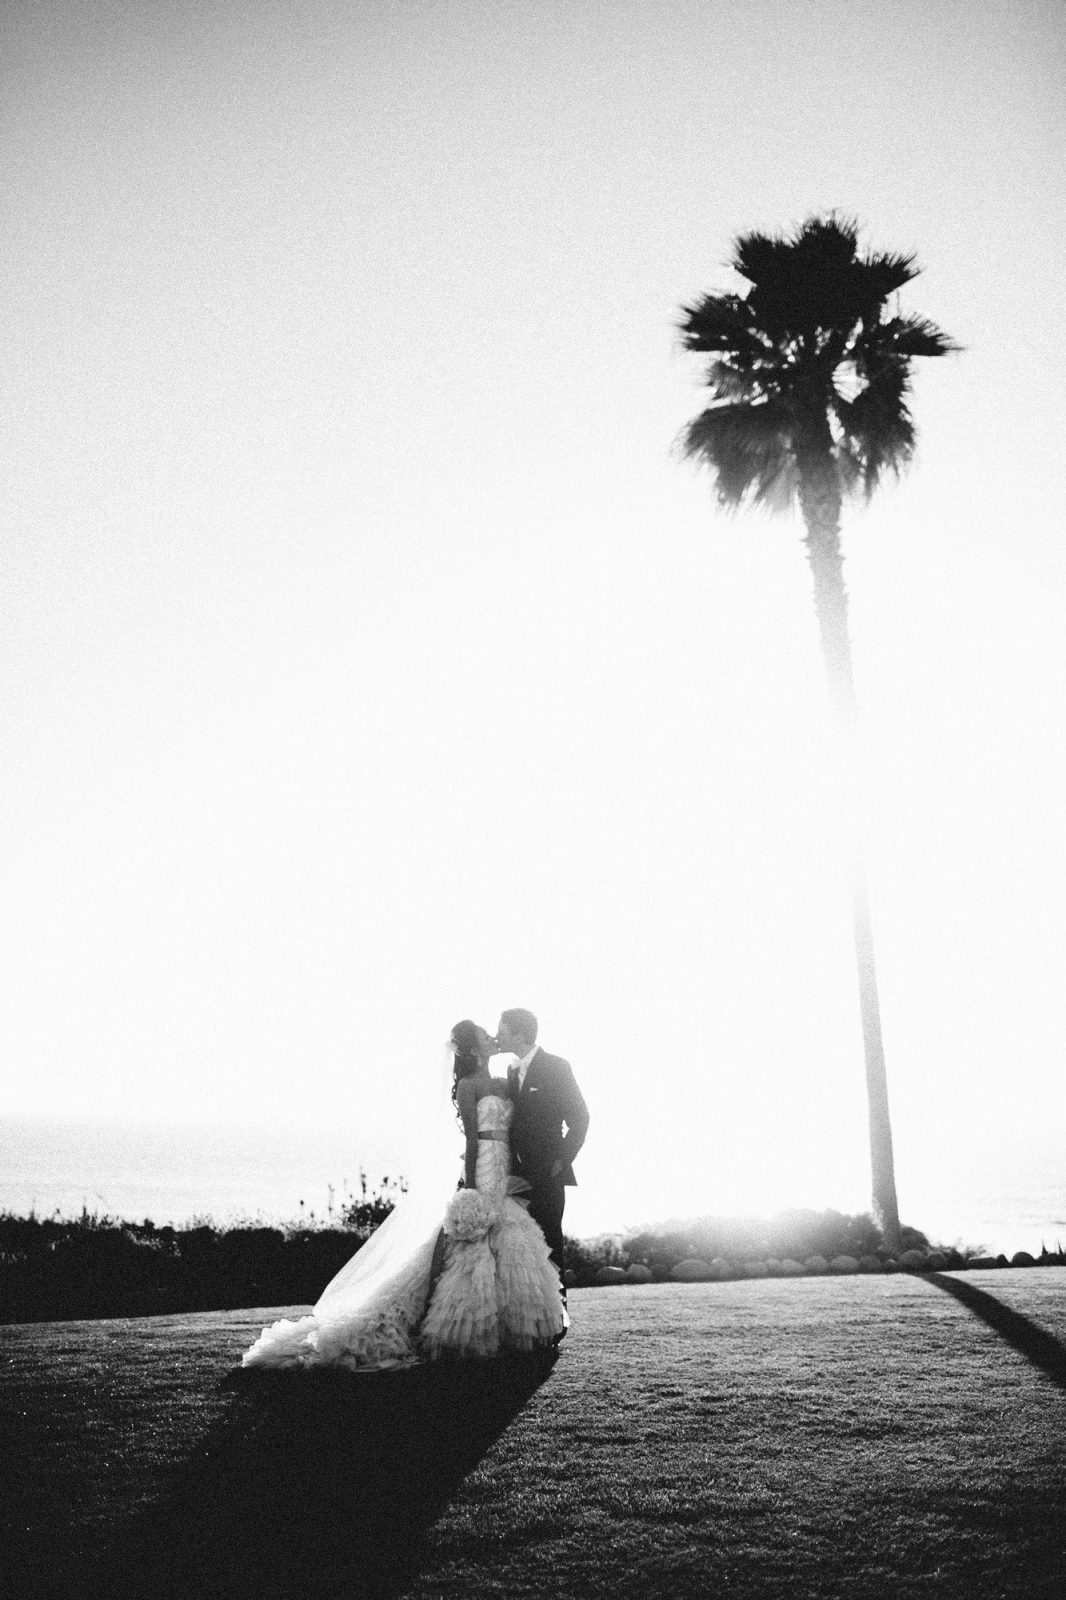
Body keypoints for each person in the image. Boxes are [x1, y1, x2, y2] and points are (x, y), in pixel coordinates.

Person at [240, 1020, 563, 1370]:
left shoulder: (505, 1081)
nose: (492, 1037)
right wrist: (469, 1187)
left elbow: (522, 1126)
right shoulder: (468, 1086)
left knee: (509, 1240)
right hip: (482, 1163)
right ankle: (456, 1326)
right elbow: (471, 1139)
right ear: (472, 1049)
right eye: (485, 1035)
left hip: (505, 1166)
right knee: (473, 1246)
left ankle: (506, 1328)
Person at [495, 1008, 589, 1315]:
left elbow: (580, 1117)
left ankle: (558, 1315)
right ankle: (529, 1315)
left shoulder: (557, 1067)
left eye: (503, 1029)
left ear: (519, 1033)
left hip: (549, 1174)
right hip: (513, 1176)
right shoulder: (509, 1071)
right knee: (521, 1246)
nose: (498, 1035)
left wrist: (561, 1160)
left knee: (550, 1243)